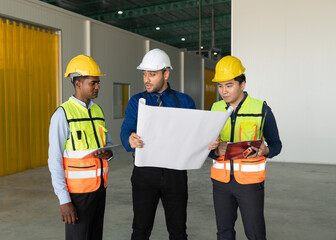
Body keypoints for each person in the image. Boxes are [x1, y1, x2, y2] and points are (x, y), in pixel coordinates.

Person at [120, 48, 196, 240]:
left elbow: (194, 134)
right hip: (145, 174)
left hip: (175, 174)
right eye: (144, 74)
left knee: (178, 231)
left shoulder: (185, 102)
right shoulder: (137, 101)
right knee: (140, 230)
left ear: (166, 73)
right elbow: (125, 130)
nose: (147, 79)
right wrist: (129, 138)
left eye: (152, 74)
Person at [208, 56, 282, 240]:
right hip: (221, 183)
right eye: (220, 86)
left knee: (255, 233)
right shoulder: (215, 109)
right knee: (224, 233)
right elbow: (206, 147)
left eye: (229, 85)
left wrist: (265, 150)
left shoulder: (261, 109)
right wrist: (215, 150)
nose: (223, 91)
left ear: (242, 84)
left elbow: (276, 145)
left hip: (250, 184)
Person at [48, 54, 113, 240]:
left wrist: (109, 153)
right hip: (77, 195)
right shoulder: (62, 114)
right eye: (93, 83)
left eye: (98, 83)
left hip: (99, 188)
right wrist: (64, 200)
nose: (97, 87)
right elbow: (54, 159)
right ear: (78, 84)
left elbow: (107, 143)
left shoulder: (98, 110)